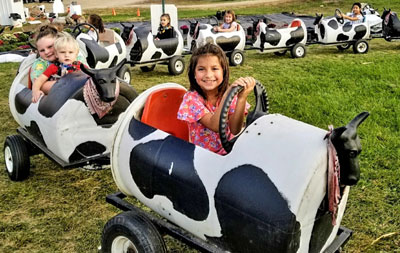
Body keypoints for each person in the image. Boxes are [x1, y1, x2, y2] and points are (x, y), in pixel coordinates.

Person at [177, 43, 255, 154]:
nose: (208, 75)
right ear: (194, 73)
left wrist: (241, 98)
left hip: (230, 151)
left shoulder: (229, 94)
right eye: (201, 69)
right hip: (204, 156)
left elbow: (235, 129)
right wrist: (227, 95)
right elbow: (215, 125)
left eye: (214, 68)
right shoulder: (191, 99)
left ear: (223, 71)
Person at [32, 33, 81, 103]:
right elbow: (39, 80)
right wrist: (35, 91)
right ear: (56, 53)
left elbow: (89, 75)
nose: (67, 55)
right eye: (42, 50)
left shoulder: (78, 64)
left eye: (49, 47)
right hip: (58, 94)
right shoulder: (54, 67)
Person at [30, 24, 60, 91]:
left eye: (50, 47)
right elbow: (37, 84)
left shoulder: (71, 55)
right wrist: (64, 85)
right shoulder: (41, 63)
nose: (46, 52)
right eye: (42, 50)